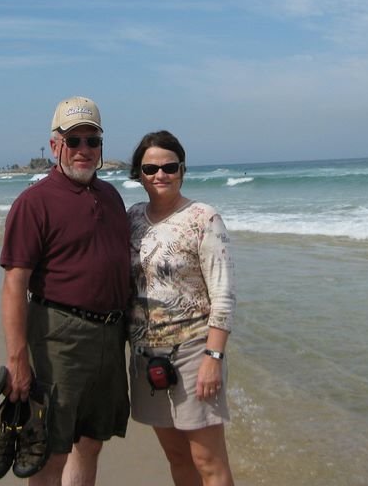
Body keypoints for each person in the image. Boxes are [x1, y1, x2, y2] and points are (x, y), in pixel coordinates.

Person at [0, 96, 131, 485]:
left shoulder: (112, 197)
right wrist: (17, 359)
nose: (84, 151)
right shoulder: (34, 203)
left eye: (92, 141)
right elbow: (14, 284)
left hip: (111, 336)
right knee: (48, 450)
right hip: (59, 337)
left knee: (91, 442)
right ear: (55, 145)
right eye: (74, 141)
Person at [127, 130, 236, 486]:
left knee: (207, 460)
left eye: (169, 167)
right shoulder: (131, 219)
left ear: (182, 169)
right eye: (150, 169)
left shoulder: (203, 218)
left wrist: (213, 359)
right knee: (176, 456)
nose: (160, 175)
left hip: (193, 353)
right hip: (145, 355)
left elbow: (223, 295)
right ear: (138, 174)